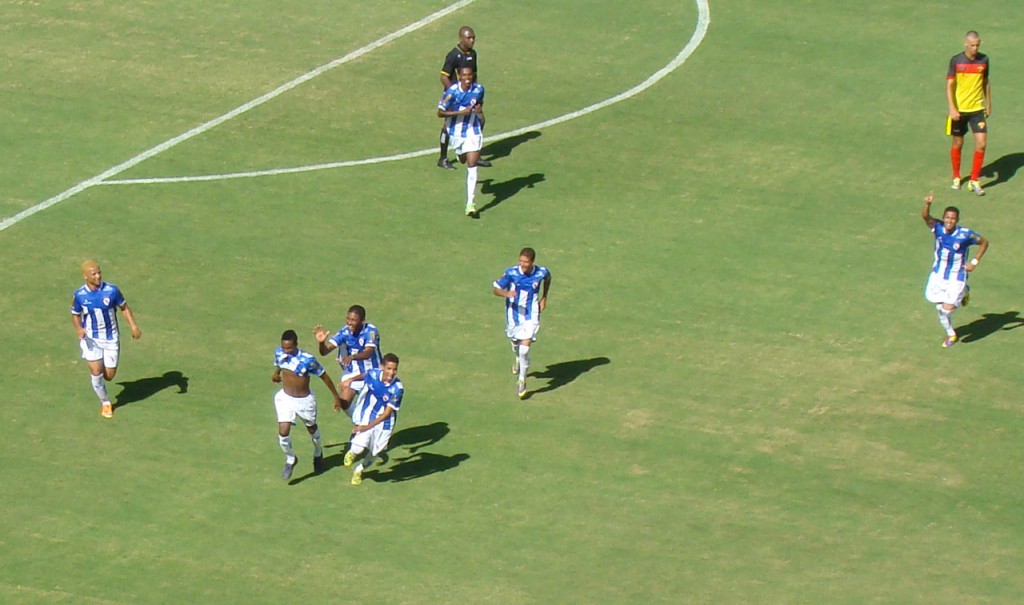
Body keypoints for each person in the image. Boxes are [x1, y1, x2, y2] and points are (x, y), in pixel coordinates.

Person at [70, 260, 142, 419]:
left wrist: (134, 327)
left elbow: (124, 308)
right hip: (91, 339)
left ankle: (102, 379)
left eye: (99, 272)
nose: (98, 276)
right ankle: (106, 403)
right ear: (85, 276)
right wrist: (79, 329)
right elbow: (75, 314)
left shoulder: (112, 291)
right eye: (94, 274)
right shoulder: (79, 295)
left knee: (109, 375)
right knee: (96, 372)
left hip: (110, 339)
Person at [272, 329, 343, 480]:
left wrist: (336, 397)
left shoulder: (308, 360)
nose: (286, 351)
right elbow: (279, 363)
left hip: (304, 401)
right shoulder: (279, 353)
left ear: (296, 345)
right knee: (283, 432)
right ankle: (291, 459)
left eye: (289, 348)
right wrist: (276, 373)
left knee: (312, 428)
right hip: (285, 398)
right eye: (284, 348)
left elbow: (325, 377)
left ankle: (318, 452)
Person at [921, 192, 989, 347]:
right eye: (947, 218)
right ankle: (951, 334)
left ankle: (963, 291)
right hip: (938, 274)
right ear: (944, 218)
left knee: (946, 309)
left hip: (956, 276)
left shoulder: (965, 234)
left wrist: (974, 262)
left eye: (952, 218)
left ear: (957, 220)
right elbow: (925, 217)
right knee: (936, 304)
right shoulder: (937, 227)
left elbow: (984, 242)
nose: (949, 221)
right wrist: (928, 204)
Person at [492, 247, 552, 398]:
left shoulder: (541, 272)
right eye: (521, 261)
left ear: (532, 262)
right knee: (515, 344)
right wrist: (506, 293)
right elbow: (496, 289)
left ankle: (522, 380)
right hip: (514, 315)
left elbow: (548, 278)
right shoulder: (511, 273)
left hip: (531, 314)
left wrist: (544, 297)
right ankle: (517, 359)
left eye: (526, 262)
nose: (523, 264)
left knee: (525, 349)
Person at [344, 353, 404, 486]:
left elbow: (386, 414)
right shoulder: (373, 374)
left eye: (394, 369)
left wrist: (365, 428)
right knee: (358, 449)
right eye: (389, 368)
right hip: (368, 415)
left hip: (385, 423)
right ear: (382, 367)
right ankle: (352, 453)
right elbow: (365, 374)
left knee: (376, 451)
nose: (391, 372)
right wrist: (350, 380)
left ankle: (359, 470)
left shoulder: (397, 389)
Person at [437, 25, 491, 170]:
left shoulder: (473, 54)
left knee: (480, 120)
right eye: (469, 37)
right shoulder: (453, 55)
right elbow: (444, 76)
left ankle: (474, 153)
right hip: (455, 97)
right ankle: (443, 158)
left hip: (470, 95)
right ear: (461, 38)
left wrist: (476, 93)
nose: (472, 40)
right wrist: (454, 94)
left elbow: (474, 75)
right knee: (447, 127)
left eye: (473, 37)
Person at [313, 305, 381, 416]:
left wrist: (352, 357)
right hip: (353, 373)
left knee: (375, 408)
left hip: (373, 373)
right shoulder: (344, 332)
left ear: (362, 321)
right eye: (348, 319)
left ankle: (369, 423)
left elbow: (369, 352)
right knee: (344, 402)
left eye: (353, 320)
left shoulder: (371, 331)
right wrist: (321, 343)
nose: (349, 322)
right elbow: (324, 352)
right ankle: (360, 423)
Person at [946, 30, 992, 196]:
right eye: (972, 45)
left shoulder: (984, 60)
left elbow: (986, 82)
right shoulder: (956, 61)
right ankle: (957, 176)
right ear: (965, 44)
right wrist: (952, 107)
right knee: (958, 143)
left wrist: (988, 103)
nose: (975, 48)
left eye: (977, 45)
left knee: (981, 143)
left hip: (977, 110)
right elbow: (950, 85)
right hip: (960, 110)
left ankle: (974, 180)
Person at [438, 66, 486, 217]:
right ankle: (460, 154)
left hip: (473, 131)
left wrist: (479, 112)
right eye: (464, 75)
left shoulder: (479, 89)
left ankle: (470, 203)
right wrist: (460, 112)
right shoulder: (452, 92)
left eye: (470, 75)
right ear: (459, 76)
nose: (467, 78)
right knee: (463, 158)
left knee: (472, 165)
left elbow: (479, 103)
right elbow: (440, 112)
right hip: (456, 133)